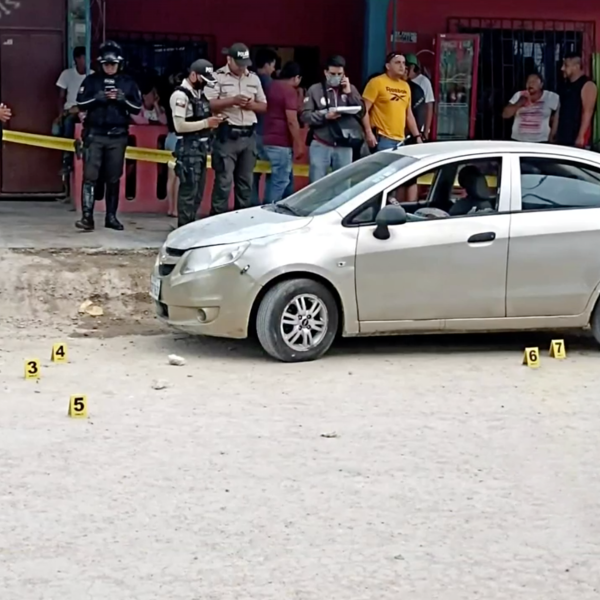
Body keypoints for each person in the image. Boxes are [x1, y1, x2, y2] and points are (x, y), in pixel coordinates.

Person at [75, 41, 142, 231]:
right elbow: (80, 103)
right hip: (95, 134)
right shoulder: (92, 81)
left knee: (113, 177)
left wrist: (123, 100)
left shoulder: (128, 82)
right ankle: (87, 217)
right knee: (90, 176)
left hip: (117, 136)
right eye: (106, 64)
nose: (110, 67)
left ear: (119, 63)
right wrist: (97, 99)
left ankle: (111, 216)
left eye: (113, 64)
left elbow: (137, 108)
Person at [204, 43, 267, 215]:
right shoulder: (217, 77)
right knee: (223, 182)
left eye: (245, 64)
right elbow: (208, 103)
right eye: (239, 64)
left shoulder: (253, 78)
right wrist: (232, 101)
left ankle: (241, 220)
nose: (242, 67)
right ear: (229, 60)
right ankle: (217, 219)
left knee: (245, 183)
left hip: (249, 136)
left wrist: (251, 105)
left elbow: (264, 106)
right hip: (227, 136)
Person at [170, 59, 224, 228]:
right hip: (187, 148)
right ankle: (183, 229)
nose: (205, 83)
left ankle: (189, 227)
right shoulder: (180, 96)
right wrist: (207, 123)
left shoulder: (198, 94)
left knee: (198, 193)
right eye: (203, 79)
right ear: (193, 75)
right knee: (189, 192)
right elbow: (179, 126)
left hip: (200, 148)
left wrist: (214, 122)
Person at [301, 55, 366, 183]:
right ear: (326, 72)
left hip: (344, 143)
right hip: (321, 142)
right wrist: (324, 116)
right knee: (317, 183)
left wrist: (349, 93)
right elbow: (305, 116)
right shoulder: (315, 89)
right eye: (333, 74)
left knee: (343, 183)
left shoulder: (351, 88)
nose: (336, 77)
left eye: (339, 74)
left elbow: (362, 112)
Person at [362, 52, 423, 151]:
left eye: (403, 63)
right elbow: (363, 110)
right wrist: (368, 132)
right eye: (397, 62)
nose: (402, 66)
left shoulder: (405, 86)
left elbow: (409, 114)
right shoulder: (376, 82)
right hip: (382, 138)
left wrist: (417, 136)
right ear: (388, 66)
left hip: (401, 139)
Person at [263, 61, 304, 203]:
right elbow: (292, 120)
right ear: (297, 77)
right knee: (281, 180)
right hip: (281, 143)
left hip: (265, 139)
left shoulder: (271, 85)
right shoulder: (289, 90)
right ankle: (269, 210)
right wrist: (299, 144)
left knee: (278, 180)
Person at [56, 46, 89, 174]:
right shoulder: (67, 74)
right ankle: (67, 161)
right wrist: (60, 114)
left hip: (86, 111)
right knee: (67, 124)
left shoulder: (92, 75)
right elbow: (60, 97)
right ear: (77, 59)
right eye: (84, 57)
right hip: (69, 111)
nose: (87, 60)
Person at [252, 48, 278, 204]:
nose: (274, 69)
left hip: (250, 132)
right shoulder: (271, 85)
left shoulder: (248, 80)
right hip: (266, 133)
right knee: (274, 173)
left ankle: (251, 205)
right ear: (267, 65)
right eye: (273, 65)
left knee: (251, 174)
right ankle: (268, 206)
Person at [555, 52, 598, 148]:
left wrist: (581, 136)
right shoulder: (565, 86)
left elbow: (587, 112)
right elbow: (560, 109)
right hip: (563, 136)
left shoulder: (587, 85)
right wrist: (554, 132)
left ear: (576, 67)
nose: (562, 69)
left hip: (576, 137)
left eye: (566, 65)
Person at [502, 74, 559, 143]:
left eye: (534, 82)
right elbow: (505, 115)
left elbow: (557, 116)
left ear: (541, 85)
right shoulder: (519, 95)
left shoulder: (550, 97)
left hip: (541, 141)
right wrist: (518, 104)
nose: (530, 84)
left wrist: (552, 134)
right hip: (519, 140)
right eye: (528, 82)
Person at [164, 72, 184, 218]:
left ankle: (170, 208)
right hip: (179, 138)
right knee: (178, 176)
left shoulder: (169, 98)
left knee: (170, 176)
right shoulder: (182, 99)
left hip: (169, 137)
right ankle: (176, 209)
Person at [404, 53, 435, 139]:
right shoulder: (401, 81)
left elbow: (429, 106)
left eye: (407, 67)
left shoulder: (424, 81)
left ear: (413, 67)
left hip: (418, 125)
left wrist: (426, 130)